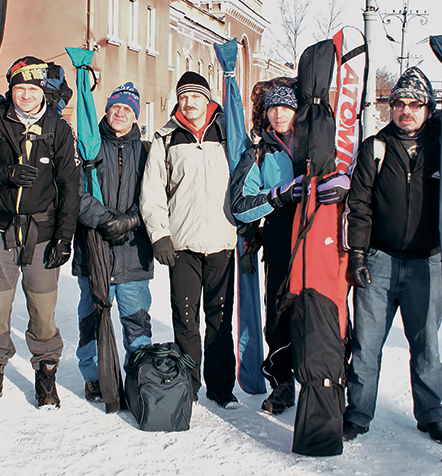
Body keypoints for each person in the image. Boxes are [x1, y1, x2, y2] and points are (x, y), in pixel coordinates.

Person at [341, 67, 442, 444]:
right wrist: (358, 253)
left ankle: (430, 415)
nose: (406, 110)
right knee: (366, 344)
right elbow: (359, 205)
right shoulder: (375, 148)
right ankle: (357, 412)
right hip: (381, 260)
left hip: (429, 263)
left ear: (428, 107)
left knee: (426, 345)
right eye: (399, 103)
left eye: (415, 104)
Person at [230, 79, 349, 415]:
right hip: (282, 244)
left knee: (326, 311)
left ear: (297, 110)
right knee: (280, 314)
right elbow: (240, 203)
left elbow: (354, 173)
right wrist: (278, 195)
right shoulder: (259, 152)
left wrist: (345, 184)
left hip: (322, 243)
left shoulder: (321, 142)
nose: (279, 113)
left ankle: (332, 380)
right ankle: (282, 383)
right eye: (272, 107)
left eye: (285, 106)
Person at [0, 57, 81, 408]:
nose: (26, 96)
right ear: (11, 90)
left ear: (43, 91)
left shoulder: (58, 129)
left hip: (42, 233)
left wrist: (64, 237)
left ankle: (46, 374)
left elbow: (70, 186)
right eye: (19, 89)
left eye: (32, 89)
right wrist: (6, 174)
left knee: (43, 309)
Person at [141, 71, 240, 409]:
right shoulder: (165, 138)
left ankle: (222, 388)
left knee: (220, 318)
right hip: (181, 244)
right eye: (183, 96)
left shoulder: (228, 132)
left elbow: (246, 182)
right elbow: (152, 191)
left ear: (208, 98)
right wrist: (160, 235)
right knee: (185, 318)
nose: (189, 102)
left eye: (195, 95)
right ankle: (189, 384)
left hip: (222, 241)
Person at [72, 82, 153, 402]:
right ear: (106, 111)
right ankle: (93, 376)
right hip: (95, 248)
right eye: (115, 107)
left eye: (127, 110)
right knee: (91, 318)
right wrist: (104, 220)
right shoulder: (88, 148)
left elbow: (155, 194)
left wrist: (131, 220)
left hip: (133, 251)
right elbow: (75, 191)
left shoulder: (147, 152)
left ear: (135, 116)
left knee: (136, 320)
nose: (120, 113)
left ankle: (139, 374)